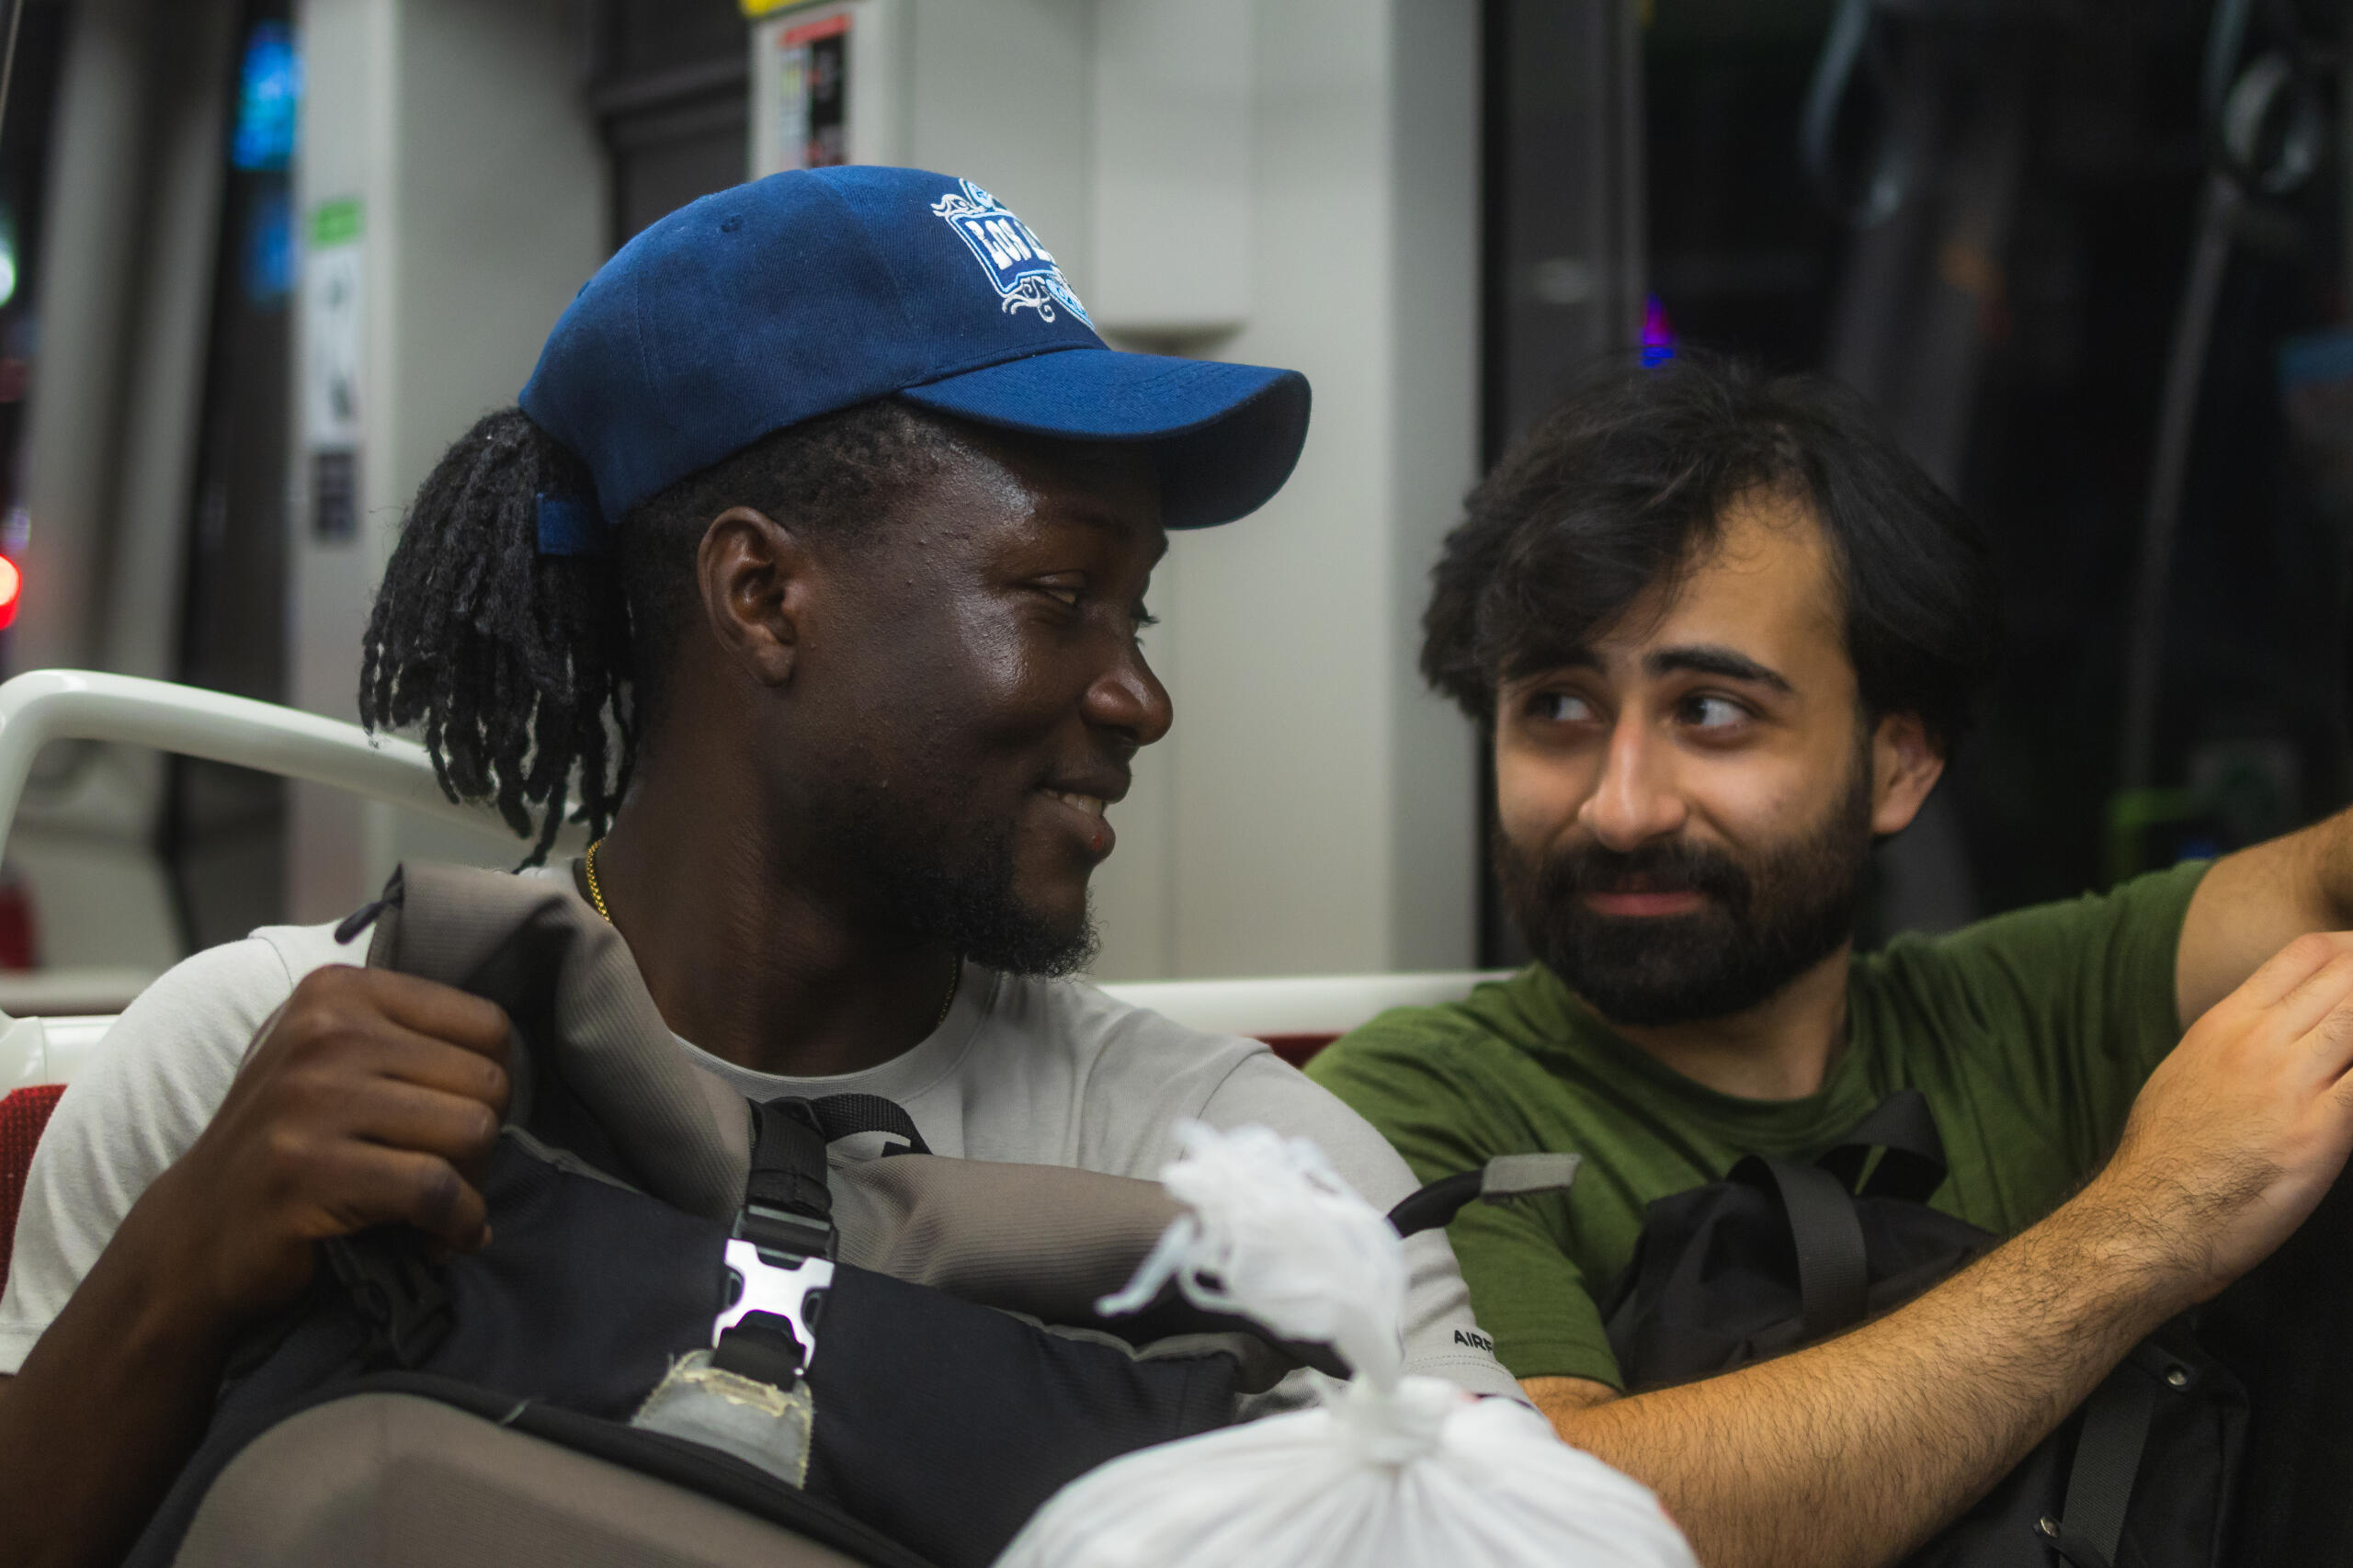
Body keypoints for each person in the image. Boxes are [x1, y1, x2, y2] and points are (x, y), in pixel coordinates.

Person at [0, 166, 1518, 1568]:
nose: (1140, 697)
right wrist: (179, 1267)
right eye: (1061, 594)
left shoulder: (1234, 1177)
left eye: (1141, 614)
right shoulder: (266, 1052)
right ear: (763, 595)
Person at [1307, 352, 2353, 1568]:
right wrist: (2151, 1222)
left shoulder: (2030, 1011)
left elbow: (2323, 882)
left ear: (1897, 765)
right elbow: (1554, 1520)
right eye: (1558, 709)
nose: (1621, 806)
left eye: (1710, 710)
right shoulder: (1404, 1111)